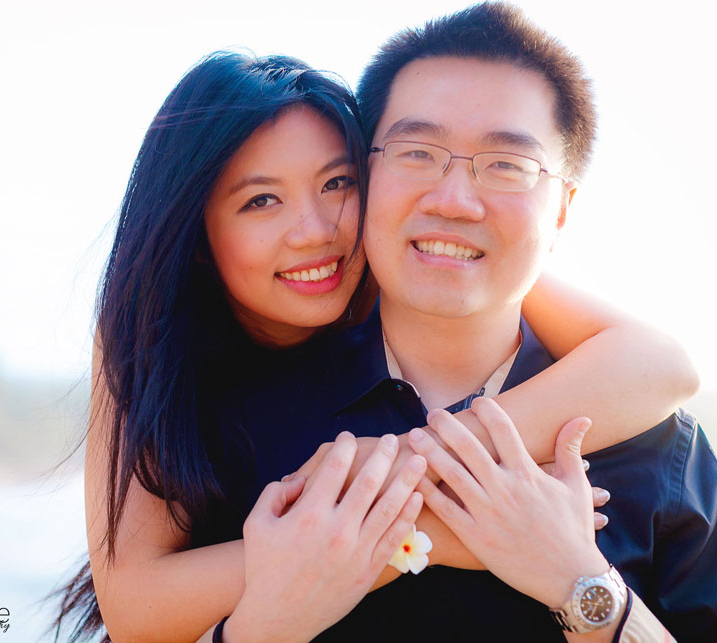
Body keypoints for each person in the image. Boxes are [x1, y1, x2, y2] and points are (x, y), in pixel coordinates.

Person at [52, 49, 700, 642]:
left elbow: (661, 364)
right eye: (261, 200)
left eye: (336, 184)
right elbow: (136, 609)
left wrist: (407, 468)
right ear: (194, 233)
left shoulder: (430, 263)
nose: (313, 231)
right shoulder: (149, 343)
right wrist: (422, 527)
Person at [210, 3, 717, 641]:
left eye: (507, 165)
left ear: (561, 209)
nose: (453, 200)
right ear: (365, 173)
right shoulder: (237, 423)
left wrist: (580, 583)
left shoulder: (659, 446)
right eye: (418, 152)